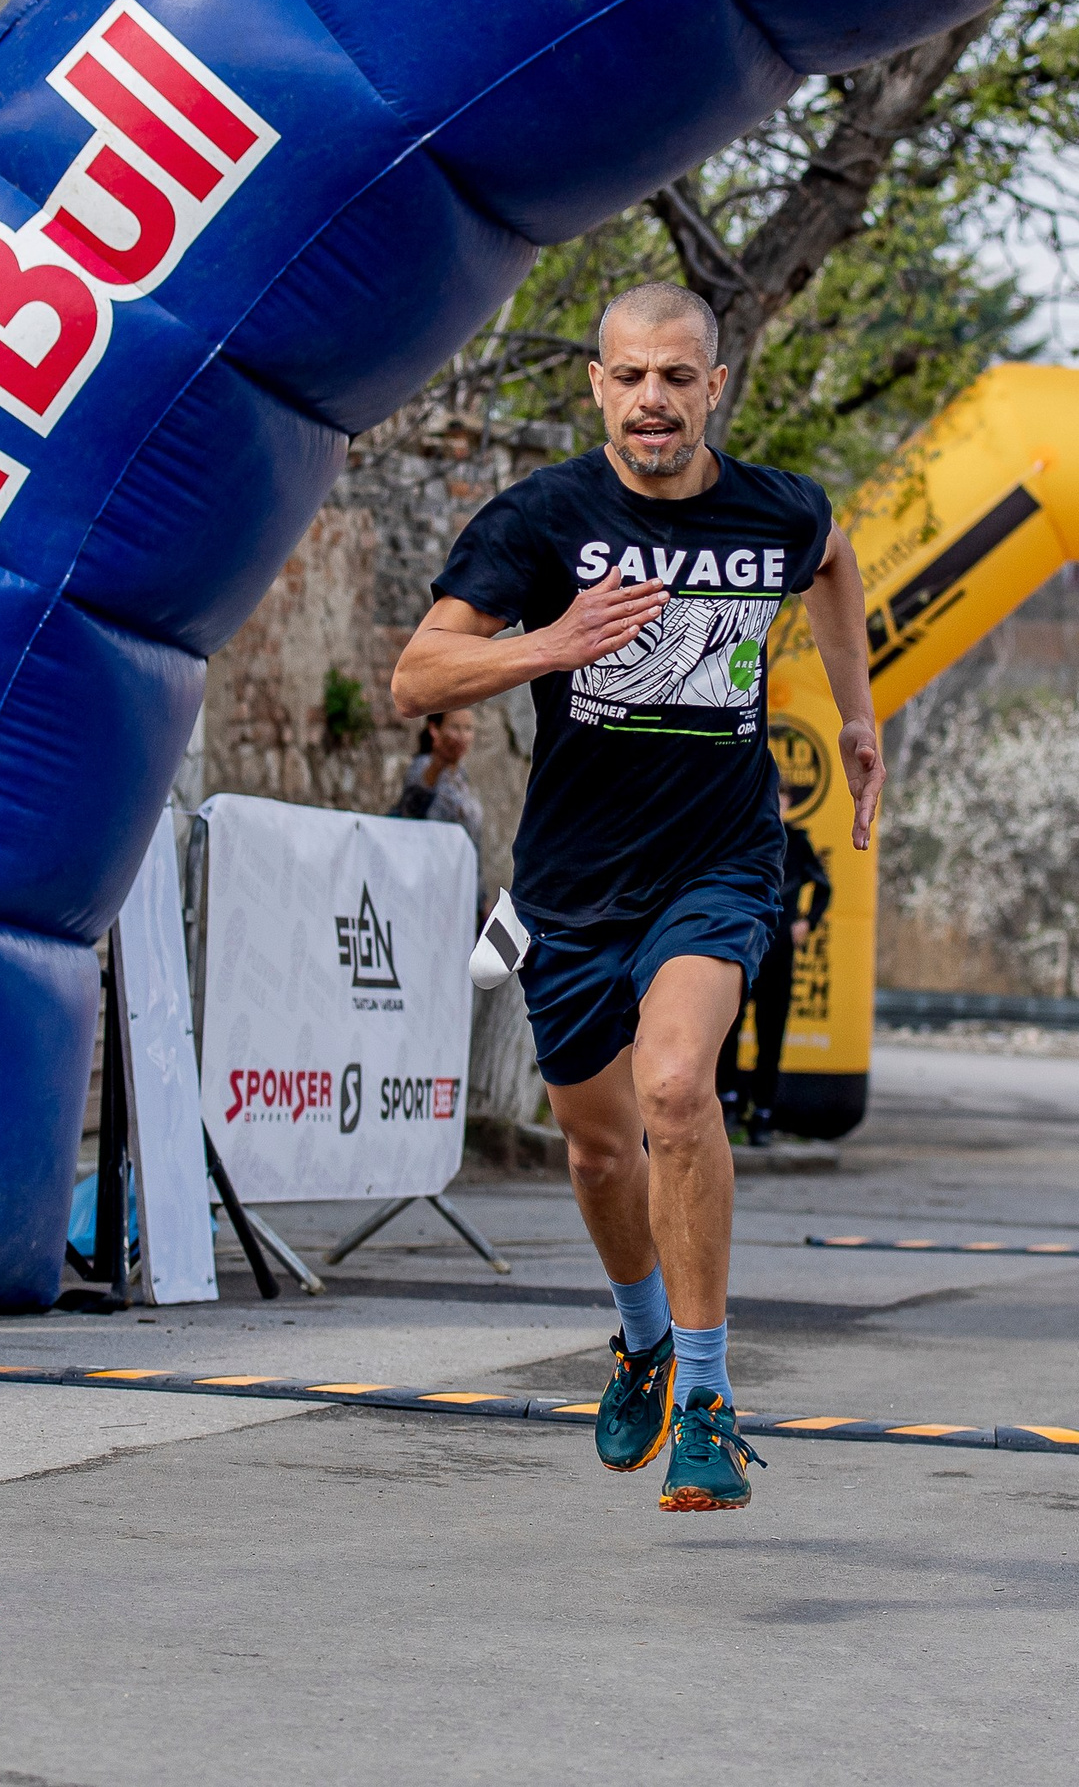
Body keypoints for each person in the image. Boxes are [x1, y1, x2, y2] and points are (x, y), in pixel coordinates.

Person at [391, 282, 882, 1512]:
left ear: (715, 386)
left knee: (675, 1087)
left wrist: (861, 712)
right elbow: (417, 674)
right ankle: (643, 1342)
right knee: (603, 1150)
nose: (653, 399)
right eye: (630, 377)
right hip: (573, 885)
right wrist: (550, 645)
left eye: (677, 376)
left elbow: (831, 558)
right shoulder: (546, 516)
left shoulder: (773, 510)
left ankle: (712, 1395)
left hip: (718, 860)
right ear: (597, 386)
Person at [716, 787, 830, 1146]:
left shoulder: (795, 843)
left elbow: (823, 887)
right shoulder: (742, 835)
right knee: (727, 1029)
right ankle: (730, 1104)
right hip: (744, 946)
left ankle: (762, 1113)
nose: (776, 807)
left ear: (789, 805)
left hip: (779, 951)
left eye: (781, 802)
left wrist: (807, 921)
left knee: (771, 1036)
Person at [394, 709, 486, 839]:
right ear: (434, 730)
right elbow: (410, 811)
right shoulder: (422, 765)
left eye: (468, 728)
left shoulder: (461, 774)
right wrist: (438, 764)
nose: (462, 736)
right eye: (455, 727)